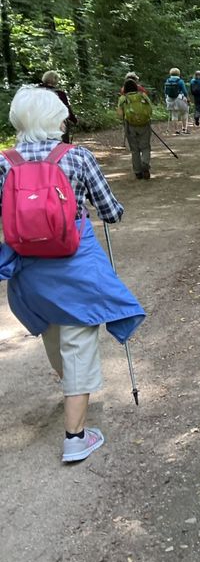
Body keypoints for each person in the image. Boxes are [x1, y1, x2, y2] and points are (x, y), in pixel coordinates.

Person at [0, 86, 145, 463]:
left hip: (30, 272)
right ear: (54, 119)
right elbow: (111, 212)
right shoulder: (77, 157)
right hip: (75, 266)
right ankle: (75, 437)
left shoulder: (4, 163)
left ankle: (72, 390)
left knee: (53, 334)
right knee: (79, 344)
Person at [116, 78, 153, 180]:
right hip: (145, 124)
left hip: (130, 125)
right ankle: (145, 164)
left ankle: (137, 172)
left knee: (134, 149)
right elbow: (150, 108)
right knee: (145, 147)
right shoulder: (143, 95)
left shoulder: (123, 98)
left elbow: (119, 114)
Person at [40, 70, 79, 144]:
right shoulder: (60, 93)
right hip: (57, 124)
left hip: (38, 123)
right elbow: (66, 110)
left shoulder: (35, 92)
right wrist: (74, 120)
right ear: (55, 80)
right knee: (62, 145)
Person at [163, 68, 190, 135]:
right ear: (178, 73)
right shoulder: (180, 81)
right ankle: (184, 129)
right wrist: (187, 98)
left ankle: (176, 130)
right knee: (184, 113)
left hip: (170, 99)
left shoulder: (168, 80)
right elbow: (184, 91)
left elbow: (165, 91)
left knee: (174, 115)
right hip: (179, 98)